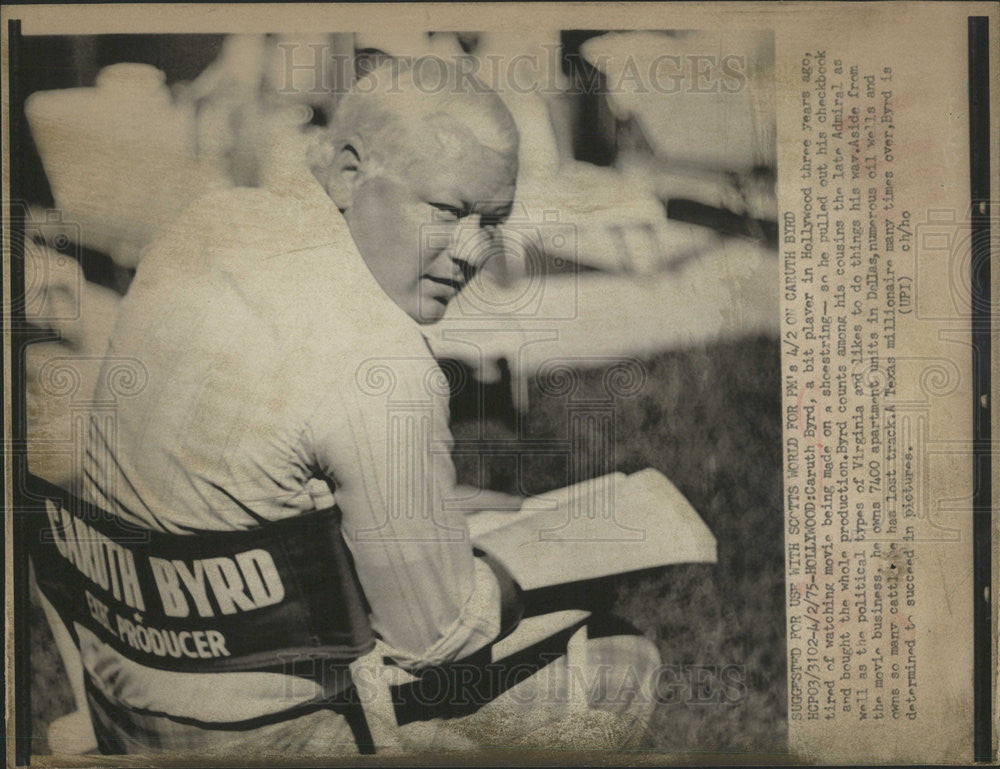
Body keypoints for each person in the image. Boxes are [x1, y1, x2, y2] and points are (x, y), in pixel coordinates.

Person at [39, 58, 657, 756]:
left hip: (126, 695)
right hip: (261, 737)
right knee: (619, 658)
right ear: (347, 174)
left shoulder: (205, 227)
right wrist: (544, 575)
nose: (472, 251)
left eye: (494, 222)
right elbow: (435, 640)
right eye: (449, 210)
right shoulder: (381, 361)